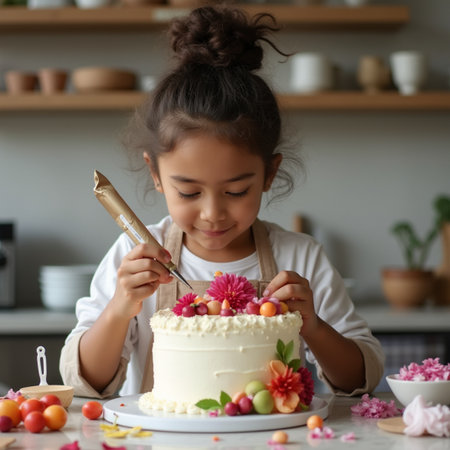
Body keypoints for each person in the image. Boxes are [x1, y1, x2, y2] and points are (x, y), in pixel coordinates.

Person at [60, 5, 384, 398]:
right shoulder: (136, 254)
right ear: (156, 175)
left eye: (235, 191)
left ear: (269, 174)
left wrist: (313, 325)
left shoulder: (300, 258)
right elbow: (83, 382)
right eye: (189, 192)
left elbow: (359, 379)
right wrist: (119, 308)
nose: (212, 213)